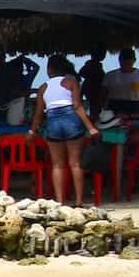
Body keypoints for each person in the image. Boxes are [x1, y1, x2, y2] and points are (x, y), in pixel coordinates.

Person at [32, 56, 102, 205]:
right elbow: (77, 106)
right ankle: (78, 201)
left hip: (53, 121)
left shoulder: (43, 87)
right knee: (75, 163)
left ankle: (60, 202)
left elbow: (38, 114)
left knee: (57, 164)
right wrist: (91, 128)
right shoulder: (71, 82)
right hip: (71, 119)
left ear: (49, 69)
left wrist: (32, 131)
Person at [103, 49, 139, 115]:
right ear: (119, 60)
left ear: (134, 60)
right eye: (124, 59)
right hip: (114, 106)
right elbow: (103, 94)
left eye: (128, 60)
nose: (126, 62)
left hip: (134, 107)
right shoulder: (110, 75)